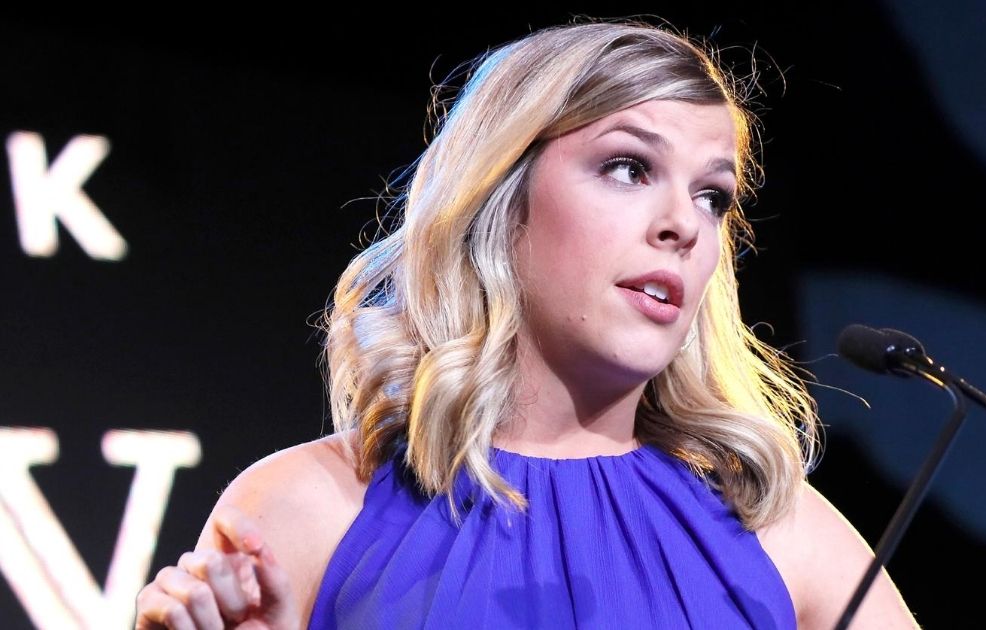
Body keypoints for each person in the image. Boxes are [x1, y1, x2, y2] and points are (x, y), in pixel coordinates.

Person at [135, 18, 919, 629]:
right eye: (628, 168)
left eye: (713, 195)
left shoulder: (777, 534)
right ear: (500, 203)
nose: (683, 222)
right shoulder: (306, 511)